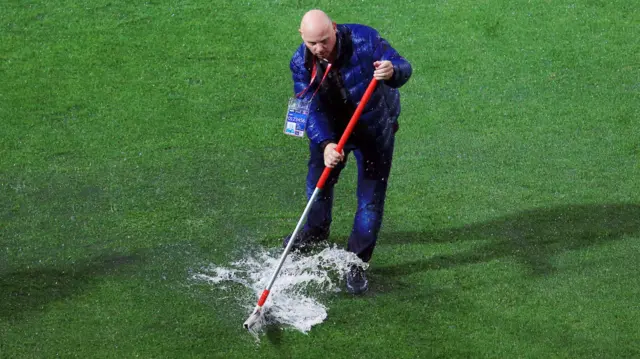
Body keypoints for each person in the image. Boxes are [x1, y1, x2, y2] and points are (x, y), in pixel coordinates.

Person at [284, 9, 412, 294]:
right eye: (312, 44)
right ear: (301, 37)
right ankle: (315, 233)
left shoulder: (365, 39)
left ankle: (356, 262)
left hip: (373, 131)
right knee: (316, 186)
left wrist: (392, 71)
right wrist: (326, 143)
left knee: (369, 202)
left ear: (333, 28)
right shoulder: (300, 62)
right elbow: (308, 108)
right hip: (332, 133)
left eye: (324, 41)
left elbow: (404, 67)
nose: (319, 49)